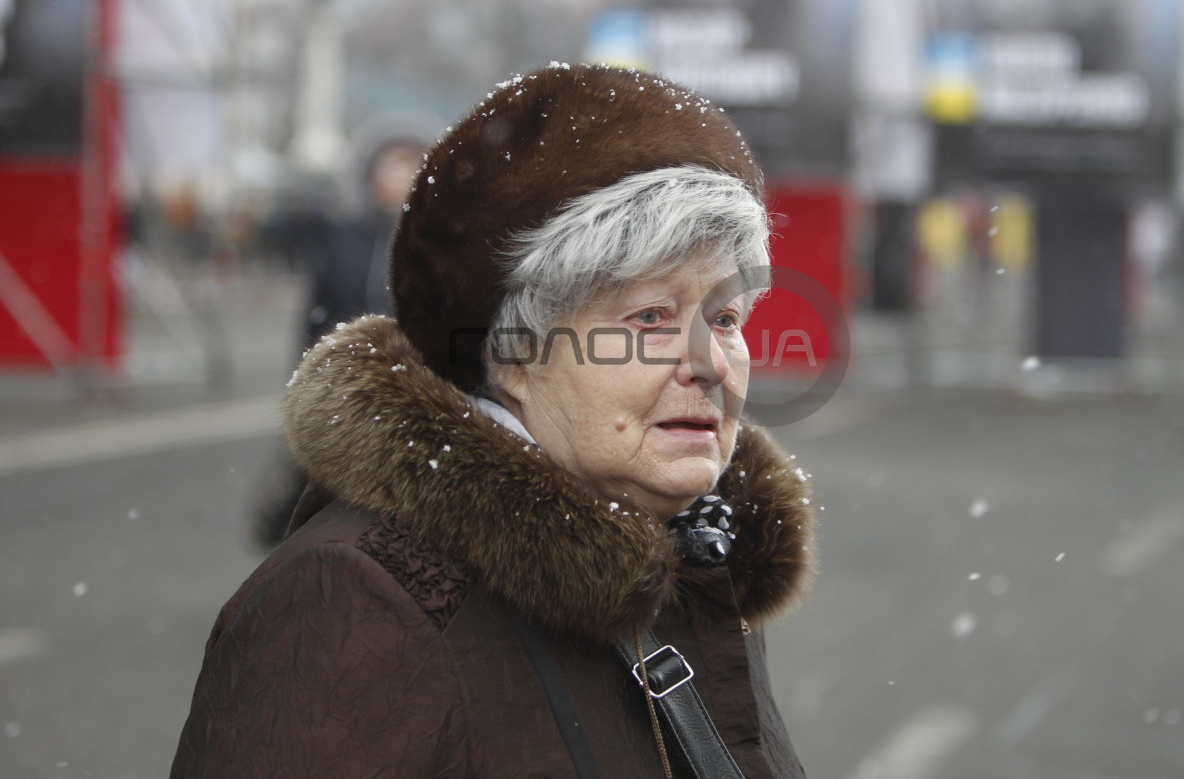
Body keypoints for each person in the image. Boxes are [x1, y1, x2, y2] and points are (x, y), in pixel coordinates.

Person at [171, 64, 816, 777]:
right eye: (651, 318)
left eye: (725, 318)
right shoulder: (359, 602)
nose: (711, 364)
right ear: (510, 352)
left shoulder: (699, 558)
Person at [248, 133, 427, 547]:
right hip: (348, 392)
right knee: (332, 507)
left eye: (411, 167)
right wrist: (306, 383)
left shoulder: (439, 245)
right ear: (370, 175)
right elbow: (317, 316)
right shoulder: (344, 237)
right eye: (392, 167)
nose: (400, 178)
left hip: (419, 397)